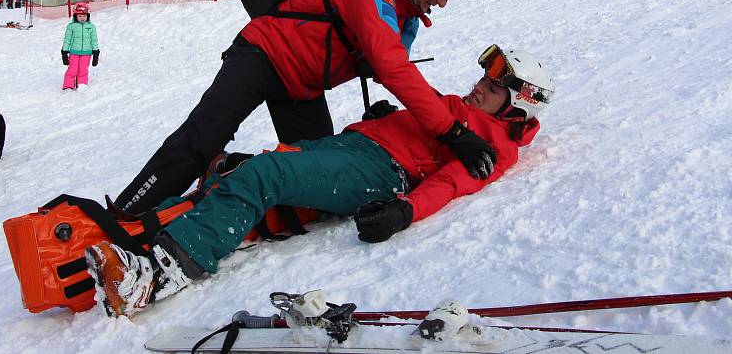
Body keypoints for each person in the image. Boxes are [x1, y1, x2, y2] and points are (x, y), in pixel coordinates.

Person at [86, 45, 554, 317]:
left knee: (268, 173)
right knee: (242, 167)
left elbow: (451, 183)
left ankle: (153, 278)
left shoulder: (492, 147)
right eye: (483, 81)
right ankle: (149, 235)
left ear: (517, 106)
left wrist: (404, 210)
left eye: (492, 90)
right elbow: (428, 119)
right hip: (354, 146)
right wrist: (391, 119)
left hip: (378, 172)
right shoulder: (463, 108)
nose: (478, 89)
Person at [114, 0, 489, 216]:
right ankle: (123, 217)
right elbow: (392, 68)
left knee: (316, 172)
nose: (441, 3)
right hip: (261, 55)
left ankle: (226, 170)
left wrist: (385, 116)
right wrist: (453, 132)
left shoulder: (404, 16)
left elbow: (386, 68)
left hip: (301, 87)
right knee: (200, 138)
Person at [61, 2, 100, 90]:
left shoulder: (91, 27)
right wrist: (64, 52)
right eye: (79, 16)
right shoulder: (71, 27)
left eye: (84, 16)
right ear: (75, 16)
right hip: (74, 52)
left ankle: (82, 84)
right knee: (73, 69)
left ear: (88, 16)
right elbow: (67, 40)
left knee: (83, 69)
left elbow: (94, 40)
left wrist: (96, 52)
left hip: (87, 53)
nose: (82, 18)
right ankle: (68, 85)